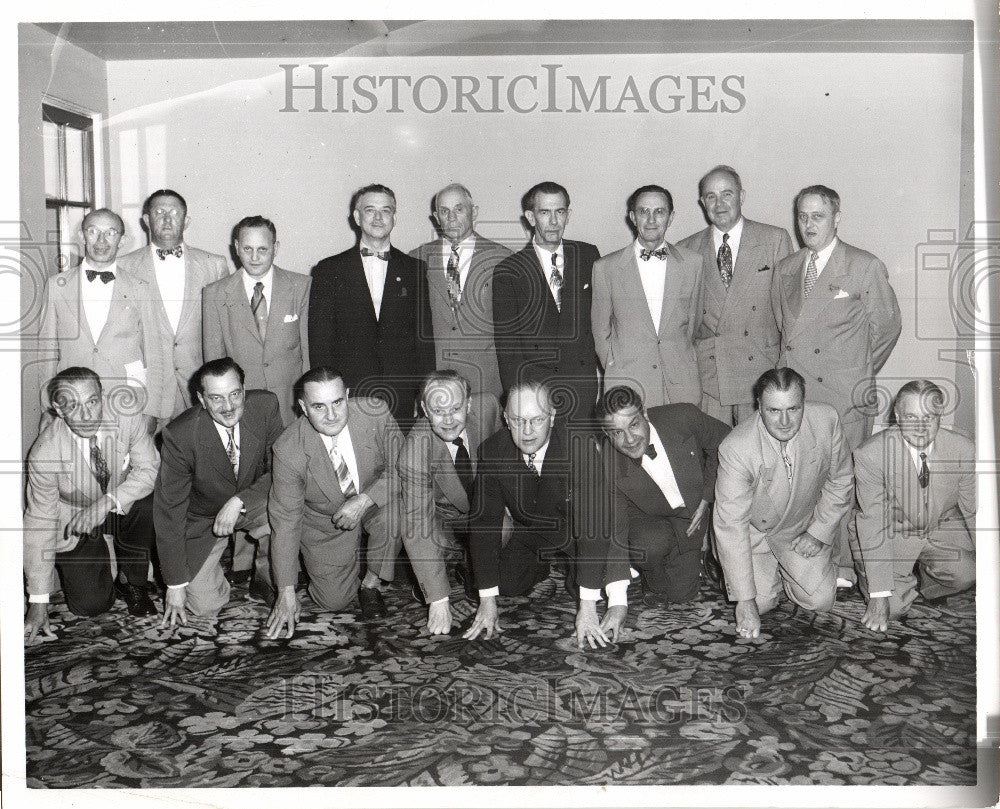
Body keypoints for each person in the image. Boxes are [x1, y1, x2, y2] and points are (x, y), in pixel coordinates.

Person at [771, 184, 902, 586]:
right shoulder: (788, 267)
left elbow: (888, 328)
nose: (808, 224)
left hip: (843, 396)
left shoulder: (864, 266)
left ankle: (842, 566)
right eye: (802, 216)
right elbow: (783, 327)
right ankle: (801, 560)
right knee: (799, 476)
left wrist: (855, 375)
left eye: (818, 216)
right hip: (796, 397)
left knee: (841, 479)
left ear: (837, 217)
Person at [463, 381, 627, 648]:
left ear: (551, 417)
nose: (527, 431)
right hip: (529, 531)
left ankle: (574, 574)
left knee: (586, 586)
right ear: (505, 419)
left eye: (537, 420)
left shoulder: (579, 447)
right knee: (503, 584)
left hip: (573, 531)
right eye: (517, 420)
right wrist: (487, 601)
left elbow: (593, 528)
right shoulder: (491, 451)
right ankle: (540, 567)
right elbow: (484, 524)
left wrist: (586, 608)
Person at [713, 368, 853, 639]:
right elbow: (732, 525)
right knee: (760, 603)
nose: (785, 421)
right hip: (755, 536)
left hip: (800, 530)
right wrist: (744, 600)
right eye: (774, 411)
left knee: (821, 601)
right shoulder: (736, 448)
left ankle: (784, 572)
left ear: (804, 403)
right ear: (759, 407)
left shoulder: (827, 420)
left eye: (794, 409)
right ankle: (740, 570)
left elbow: (841, 480)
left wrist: (819, 532)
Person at [265, 367, 404, 639]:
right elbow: (286, 520)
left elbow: (403, 468)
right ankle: (308, 565)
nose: (331, 415)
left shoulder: (375, 412)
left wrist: (365, 500)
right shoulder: (287, 449)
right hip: (323, 522)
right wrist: (285, 590)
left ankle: (371, 584)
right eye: (319, 406)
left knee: (399, 511)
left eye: (338, 402)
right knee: (333, 602)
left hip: (373, 502)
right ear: (303, 408)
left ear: (347, 396)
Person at [24, 367, 159, 643]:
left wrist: (106, 503)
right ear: (59, 411)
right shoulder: (44, 453)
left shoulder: (128, 417)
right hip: (73, 518)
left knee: (149, 502)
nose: (87, 416)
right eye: (73, 406)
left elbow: (150, 470)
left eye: (92, 402)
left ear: (102, 397)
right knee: (91, 605)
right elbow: (39, 522)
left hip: (117, 503)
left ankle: (132, 581)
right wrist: (38, 601)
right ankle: (100, 555)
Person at [154, 358, 283, 624]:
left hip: (250, 504)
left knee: (284, 507)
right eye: (216, 398)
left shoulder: (266, 407)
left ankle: (264, 578)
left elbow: (281, 472)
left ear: (244, 391)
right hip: (202, 518)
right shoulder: (179, 436)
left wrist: (240, 500)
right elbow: (169, 511)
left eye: (235, 394)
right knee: (204, 606)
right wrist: (175, 586)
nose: (228, 407)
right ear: (201, 399)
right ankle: (215, 574)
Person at [307, 184, 434, 429]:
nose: (378, 218)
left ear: (394, 218)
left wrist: (425, 391)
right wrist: (330, 396)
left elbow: (424, 340)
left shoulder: (414, 269)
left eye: (386, 211)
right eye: (370, 210)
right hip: (350, 394)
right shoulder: (328, 270)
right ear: (357, 217)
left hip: (402, 394)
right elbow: (320, 342)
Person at [853, 380, 975, 632]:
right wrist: (878, 595)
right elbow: (874, 523)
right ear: (897, 416)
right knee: (893, 609)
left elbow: (975, 512)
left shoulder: (963, 449)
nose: (921, 428)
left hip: (938, 527)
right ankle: (878, 576)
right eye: (911, 417)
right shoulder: (871, 454)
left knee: (967, 574)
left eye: (929, 417)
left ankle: (925, 578)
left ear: (940, 416)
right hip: (889, 534)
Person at [677, 165, 794, 425]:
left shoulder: (774, 240)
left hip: (760, 372)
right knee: (713, 455)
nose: (719, 204)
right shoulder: (687, 249)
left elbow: (790, 316)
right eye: (710, 196)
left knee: (761, 456)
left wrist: (783, 372)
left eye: (726, 194)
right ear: (702, 202)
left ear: (741, 196)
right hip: (710, 377)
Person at [597, 385, 730, 607]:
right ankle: (650, 571)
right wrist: (617, 602)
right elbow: (616, 530)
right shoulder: (607, 463)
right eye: (617, 433)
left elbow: (726, 442)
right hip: (648, 518)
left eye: (634, 425)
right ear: (607, 434)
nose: (629, 440)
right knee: (650, 548)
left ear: (645, 414)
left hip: (692, 512)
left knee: (681, 595)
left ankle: (702, 549)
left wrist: (708, 496)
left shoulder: (683, 417)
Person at [35, 208, 163, 430]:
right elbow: (46, 352)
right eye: (93, 231)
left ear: (122, 240)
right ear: (81, 236)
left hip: (125, 404)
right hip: (72, 403)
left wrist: (151, 411)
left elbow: (155, 353)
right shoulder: (57, 286)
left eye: (111, 233)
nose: (101, 240)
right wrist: (48, 407)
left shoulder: (141, 289)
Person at [397, 370, 503, 634]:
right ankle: (442, 569)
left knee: (513, 569)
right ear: (424, 409)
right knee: (430, 541)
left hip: (484, 508)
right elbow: (418, 525)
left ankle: (471, 564)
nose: (447, 420)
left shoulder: (488, 406)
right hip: (442, 518)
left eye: (455, 409)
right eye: (438, 411)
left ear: (468, 404)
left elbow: (507, 457)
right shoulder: (414, 451)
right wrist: (439, 601)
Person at [117, 190, 229, 424]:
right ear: (146, 221)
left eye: (174, 213)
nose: (167, 219)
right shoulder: (124, 267)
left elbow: (223, 332)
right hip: (151, 390)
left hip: (200, 384)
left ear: (186, 221)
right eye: (159, 212)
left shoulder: (214, 265)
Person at [493, 182, 600, 422]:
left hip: (582, 388)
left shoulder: (588, 255)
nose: (553, 221)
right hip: (537, 393)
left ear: (568, 215)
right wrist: (519, 401)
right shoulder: (509, 270)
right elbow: (507, 347)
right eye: (544, 212)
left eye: (560, 212)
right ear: (530, 217)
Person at [591, 184, 702, 409]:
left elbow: (693, 323)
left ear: (671, 217)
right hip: (628, 383)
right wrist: (617, 367)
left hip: (680, 384)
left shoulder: (693, 263)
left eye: (659, 212)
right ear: (633, 217)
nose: (651, 219)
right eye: (644, 211)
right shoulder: (606, 268)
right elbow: (600, 331)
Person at [202, 215, 310, 426]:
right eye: (247, 249)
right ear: (236, 247)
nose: (254, 257)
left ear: (275, 248)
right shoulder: (215, 294)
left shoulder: (302, 286)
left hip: (290, 403)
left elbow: (307, 352)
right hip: (242, 405)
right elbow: (213, 361)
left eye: (263, 250)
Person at [410, 183, 511, 398]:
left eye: (459, 209)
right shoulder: (417, 259)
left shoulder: (502, 258)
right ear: (436, 217)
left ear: (474, 212)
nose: (452, 217)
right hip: (436, 381)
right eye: (445, 212)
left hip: (486, 381)